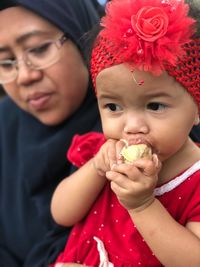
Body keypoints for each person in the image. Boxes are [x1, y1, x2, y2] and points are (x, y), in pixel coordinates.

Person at [50, 0, 200, 266]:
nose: (131, 126)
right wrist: (96, 168)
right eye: (113, 107)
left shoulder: (195, 183)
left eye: (155, 106)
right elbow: (61, 213)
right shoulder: (102, 152)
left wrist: (142, 205)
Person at [0, 0, 101, 266]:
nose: (24, 76)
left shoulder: (142, 127)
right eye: (6, 63)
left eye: (39, 49)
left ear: (84, 37)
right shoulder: (5, 124)